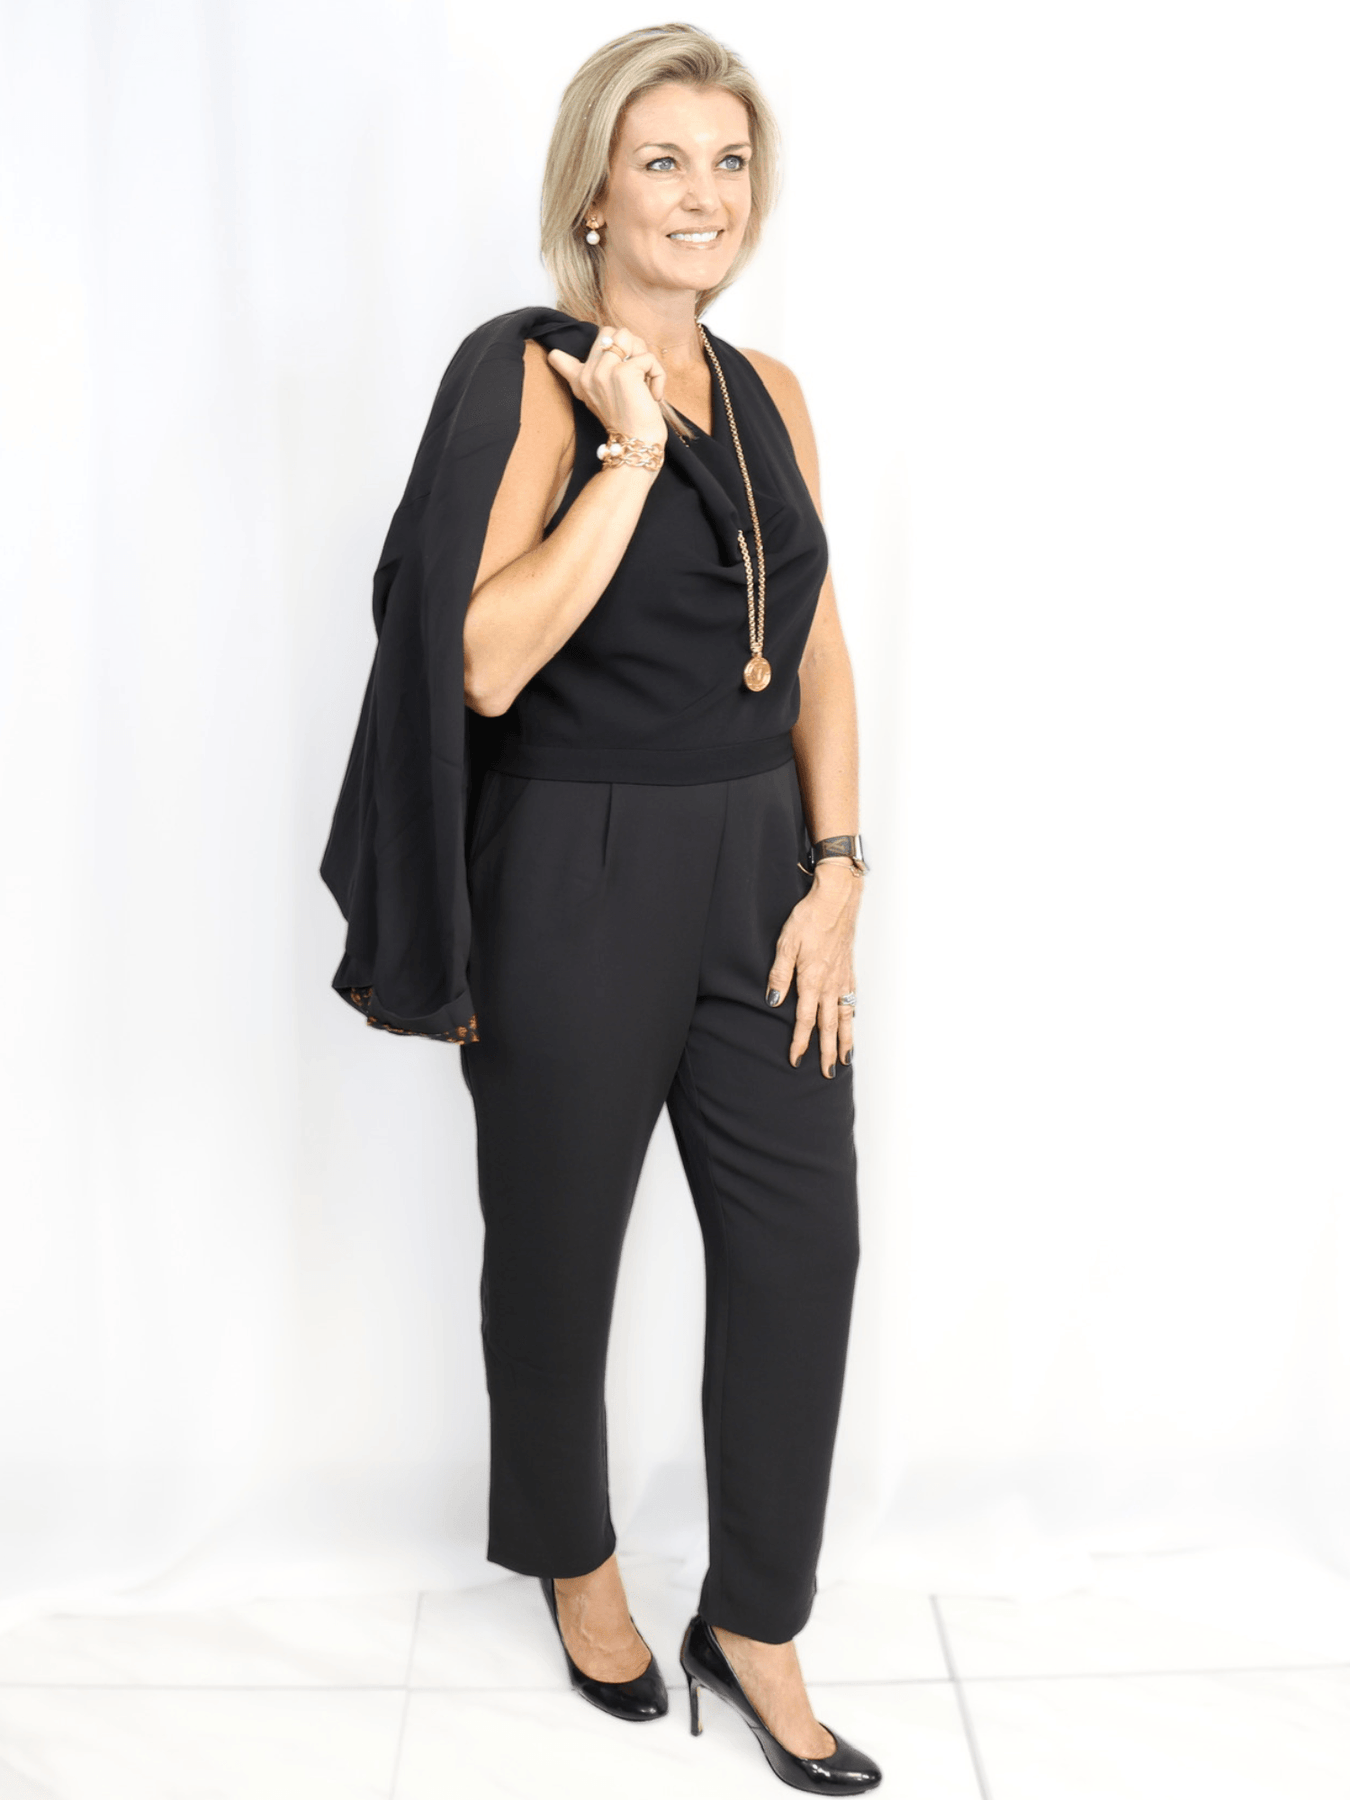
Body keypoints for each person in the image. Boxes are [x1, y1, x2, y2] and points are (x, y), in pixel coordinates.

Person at [323, 23, 880, 1793]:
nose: (702, 196)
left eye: (728, 163)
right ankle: (578, 1565)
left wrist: (838, 872)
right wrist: (625, 459)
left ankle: (759, 1621)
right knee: (558, 1253)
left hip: (760, 866)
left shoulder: (774, 390)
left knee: (801, 1246)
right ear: (592, 194)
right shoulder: (526, 377)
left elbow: (815, 651)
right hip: (575, 863)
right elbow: (481, 663)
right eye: (663, 162)